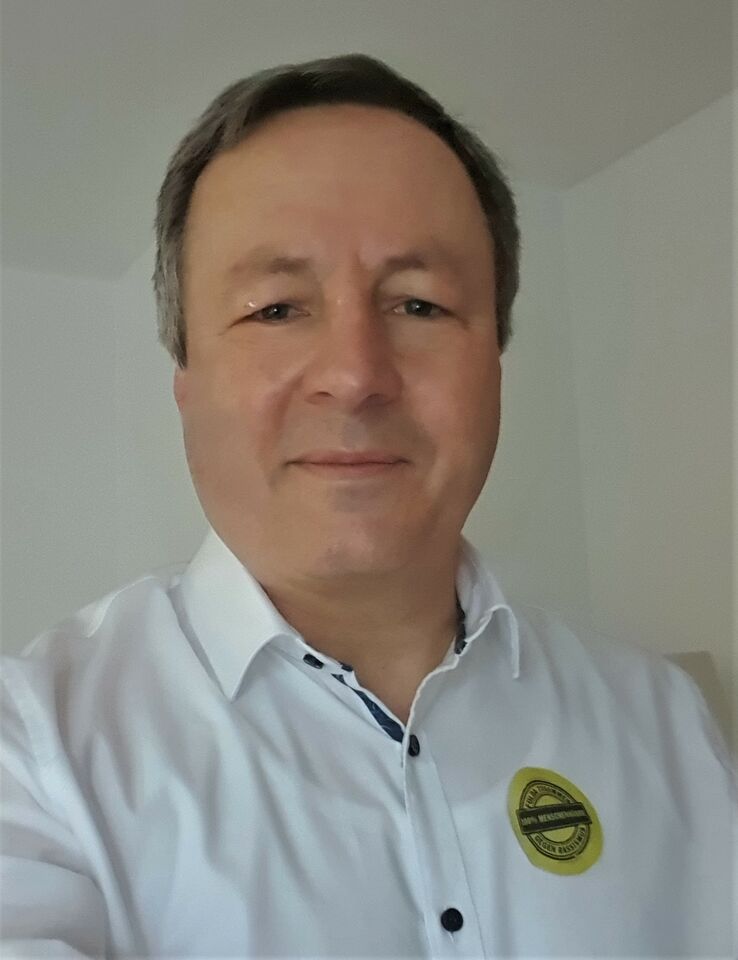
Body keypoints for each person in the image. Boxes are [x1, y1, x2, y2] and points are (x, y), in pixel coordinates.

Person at [1, 53, 735, 959]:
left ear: (494, 368)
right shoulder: (33, 752)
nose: (354, 375)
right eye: (276, 310)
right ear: (186, 382)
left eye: (420, 305)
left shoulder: (665, 723)